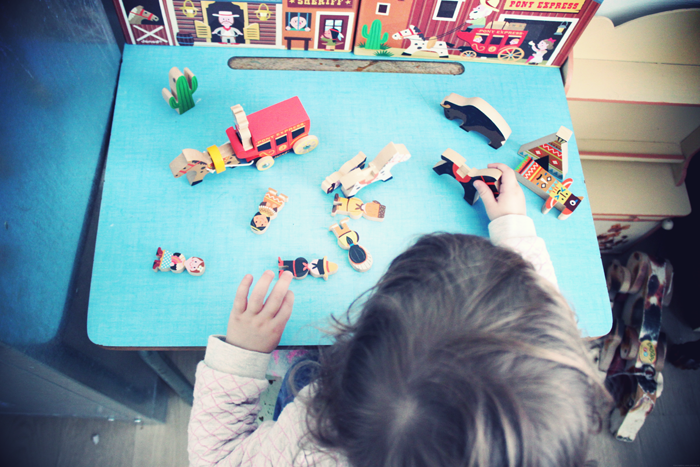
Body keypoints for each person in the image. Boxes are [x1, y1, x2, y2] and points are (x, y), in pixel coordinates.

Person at [188, 163, 607, 467]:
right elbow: (537, 321)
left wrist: (242, 357)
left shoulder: (307, 449)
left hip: (300, 413)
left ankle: (294, 372)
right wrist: (514, 230)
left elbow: (215, 457)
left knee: (298, 371)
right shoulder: (555, 375)